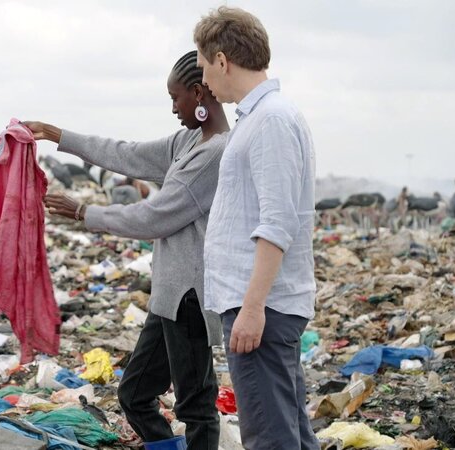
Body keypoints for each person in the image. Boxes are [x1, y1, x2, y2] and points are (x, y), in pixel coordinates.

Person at [26, 50, 229, 450]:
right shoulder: (188, 140)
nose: (173, 108)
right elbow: (127, 153)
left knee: (196, 409)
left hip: (191, 298)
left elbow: (155, 217)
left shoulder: (216, 153)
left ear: (199, 93)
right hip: (167, 298)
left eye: (176, 98)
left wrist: (86, 212)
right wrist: (58, 135)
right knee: (134, 393)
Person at [194, 6, 318, 449]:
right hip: (263, 306)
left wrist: (252, 307)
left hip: (263, 310)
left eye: (205, 66)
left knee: (270, 438)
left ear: (223, 60)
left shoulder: (272, 121)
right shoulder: (262, 118)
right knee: (290, 435)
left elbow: (278, 222)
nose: (205, 80)